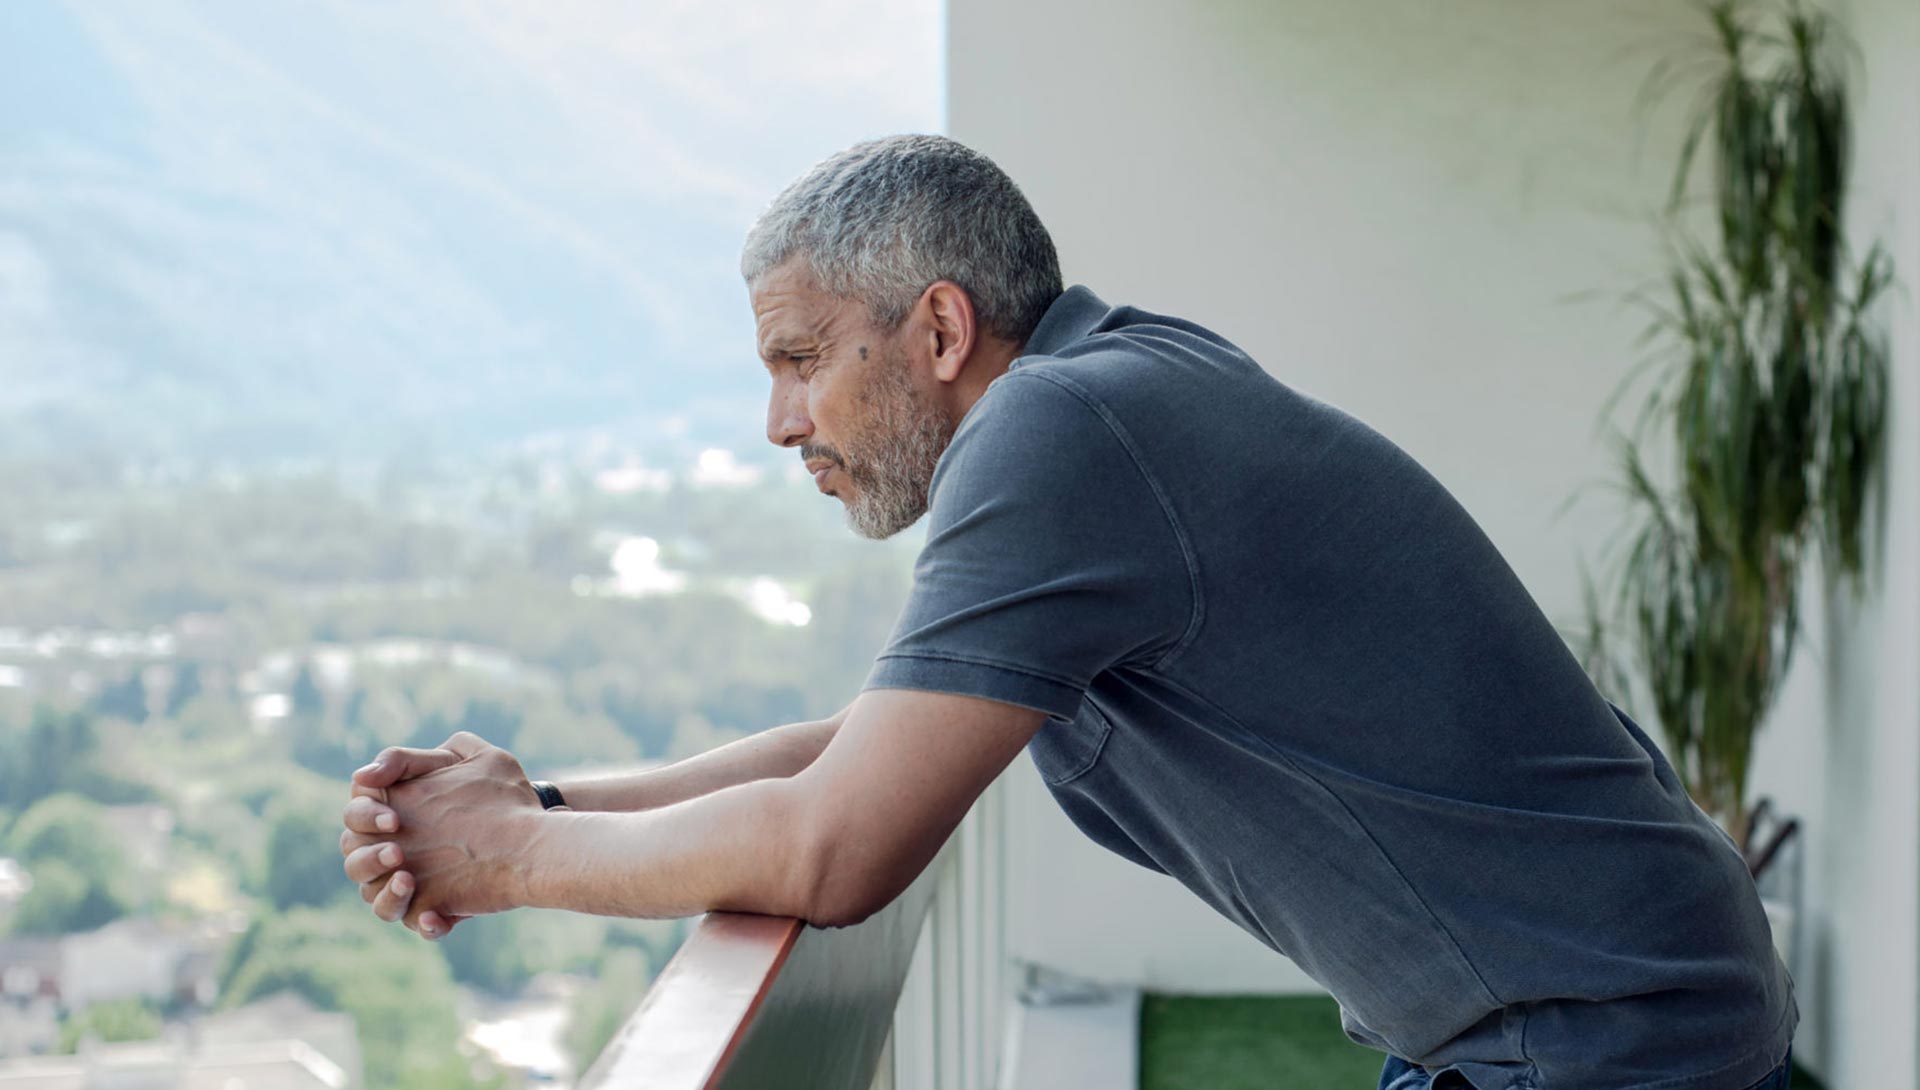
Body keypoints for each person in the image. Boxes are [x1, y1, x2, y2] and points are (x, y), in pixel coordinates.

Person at [339, 134, 1798, 1090]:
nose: (781, 420)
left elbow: (836, 844)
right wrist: (542, 793)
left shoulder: (1061, 438)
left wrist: (514, 853)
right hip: (1596, 1007)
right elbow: (862, 744)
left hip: (1601, 1036)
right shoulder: (1120, 388)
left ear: (940, 329)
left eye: (800, 359)